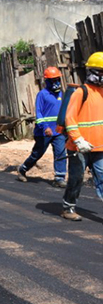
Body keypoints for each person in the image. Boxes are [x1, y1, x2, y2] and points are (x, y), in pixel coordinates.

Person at [60, 51, 103, 221]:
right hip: (79, 146)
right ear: (93, 72)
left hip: (99, 146)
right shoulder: (81, 92)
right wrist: (78, 139)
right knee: (77, 178)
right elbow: (70, 118)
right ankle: (68, 208)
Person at [17, 67, 67, 187]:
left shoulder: (62, 94)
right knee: (37, 154)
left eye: (57, 79)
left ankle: (59, 178)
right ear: (47, 81)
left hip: (58, 131)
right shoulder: (42, 95)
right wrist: (45, 127)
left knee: (60, 153)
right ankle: (23, 169)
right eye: (53, 80)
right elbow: (39, 114)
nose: (56, 82)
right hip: (43, 132)